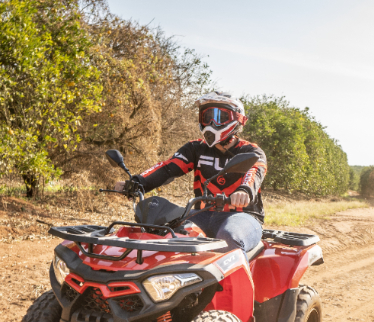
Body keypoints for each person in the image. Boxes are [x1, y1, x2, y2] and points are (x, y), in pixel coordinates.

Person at [114, 91, 267, 254]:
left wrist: (244, 191)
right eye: (207, 117)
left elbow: (254, 173)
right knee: (162, 231)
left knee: (229, 237)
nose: (212, 123)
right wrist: (136, 183)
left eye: (220, 117)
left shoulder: (251, 151)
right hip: (202, 214)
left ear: (236, 120)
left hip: (243, 216)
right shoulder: (195, 148)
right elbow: (167, 168)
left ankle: (235, 280)